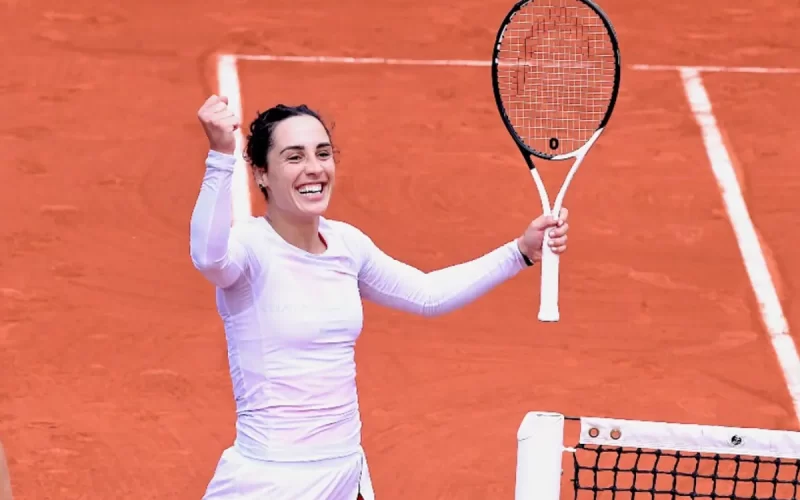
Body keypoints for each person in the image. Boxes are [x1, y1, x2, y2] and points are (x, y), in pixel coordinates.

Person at [189, 94, 570, 499]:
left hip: (343, 474)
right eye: (294, 157)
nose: (315, 168)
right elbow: (207, 258)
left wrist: (520, 252)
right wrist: (220, 156)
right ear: (262, 174)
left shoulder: (347, 245)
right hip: (268, 480)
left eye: (323, 153)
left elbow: (427, 295)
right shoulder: (249, 247)